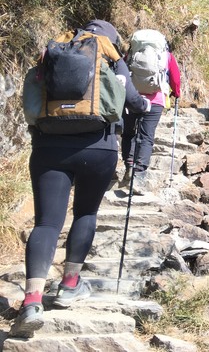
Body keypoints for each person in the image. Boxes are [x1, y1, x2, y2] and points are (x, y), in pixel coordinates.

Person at [10, 20, 150, 338]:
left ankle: (32, 301)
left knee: (46, 223)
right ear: (112, 38)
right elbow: (130, 100)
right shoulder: (111, 55)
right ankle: (69, 285)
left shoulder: (55, 50)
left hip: (49, 146)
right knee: (85, 213)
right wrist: (144, 106)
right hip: (98, 147)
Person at [119, 30, 181, 194]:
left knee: (128, 133)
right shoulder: (166, 56)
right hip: (155, 100)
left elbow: (122, 73)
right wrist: (177, 92)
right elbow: (175, 77)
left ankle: (129, 165)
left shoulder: (132, 53)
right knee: (146, 136)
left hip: (131, 98)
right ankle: (139, 175)